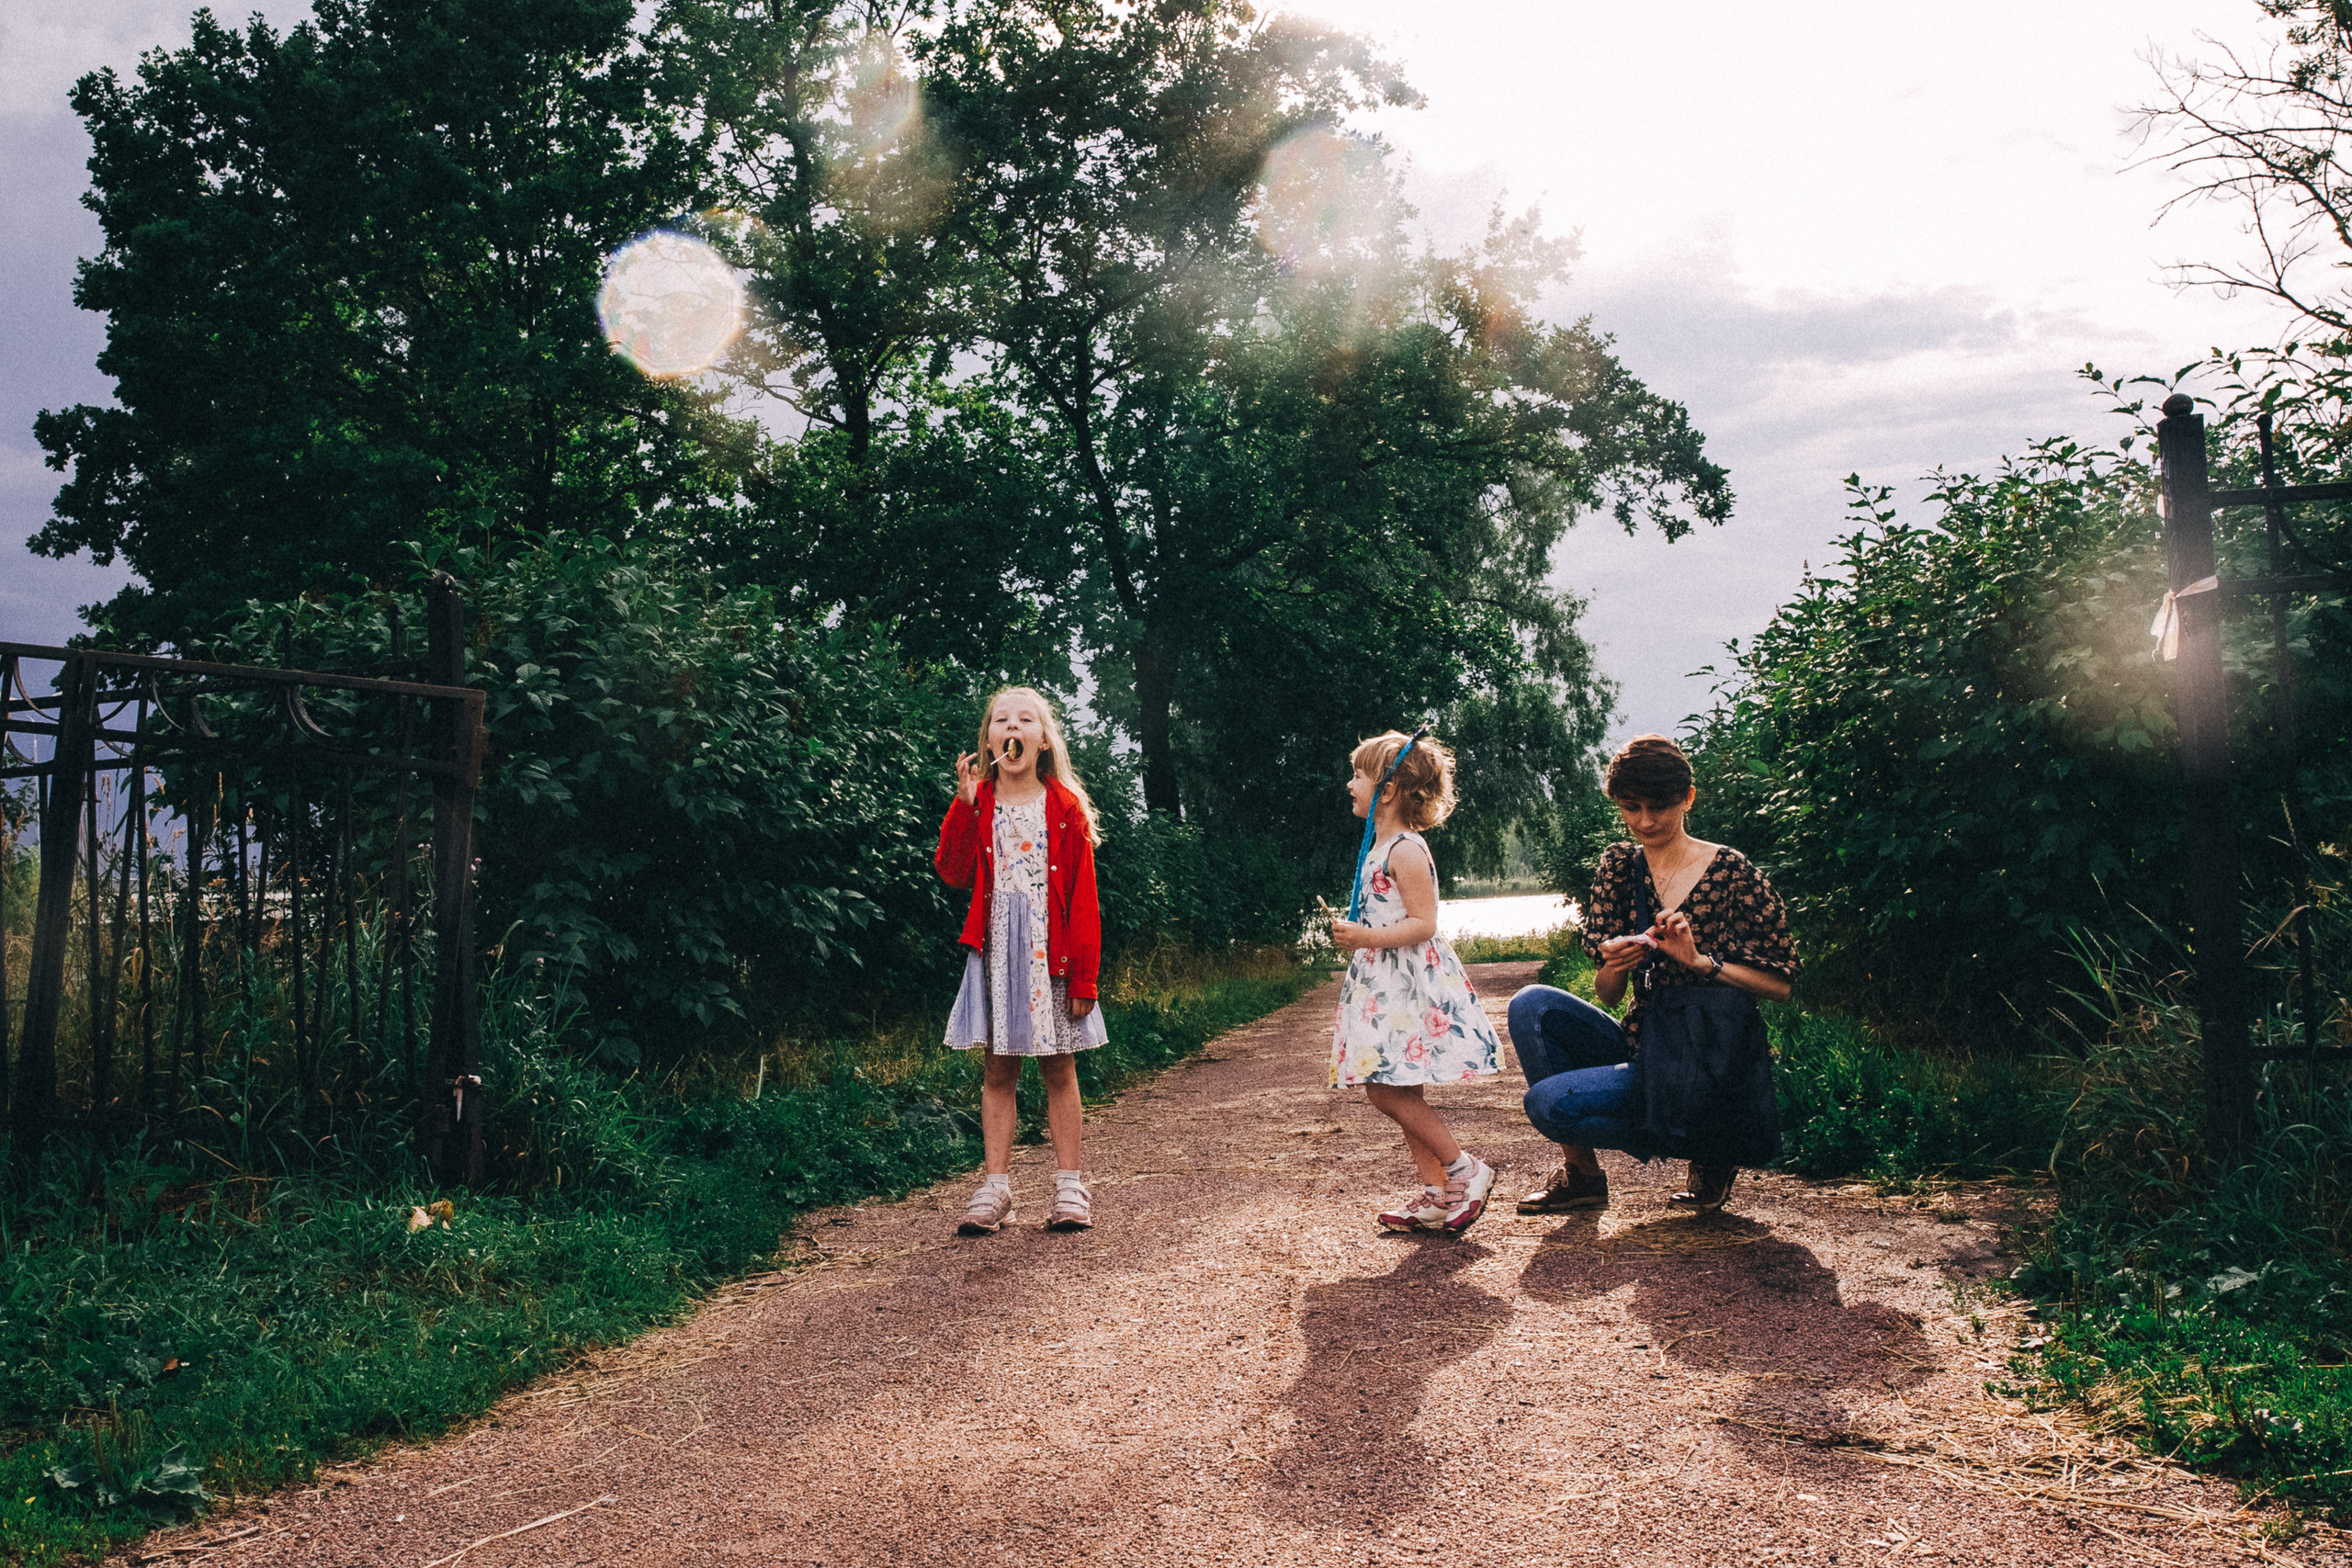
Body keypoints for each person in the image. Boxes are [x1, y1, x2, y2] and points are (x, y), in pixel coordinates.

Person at [1510, 734, 1799, 1214]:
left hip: (1704, 1058)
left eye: (1658, 807)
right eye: (1631, 807)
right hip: (1644, 1043)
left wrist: (1700, 962)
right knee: (1530, 1005)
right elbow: (1608, 995)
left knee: (1549, 1105)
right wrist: (1614, 965)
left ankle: (1712, 1141)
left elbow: (1781, 986)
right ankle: (1583, 1175)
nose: (1644, 821)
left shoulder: (1731, 871)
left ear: (1688, 798)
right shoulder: (1620, 866)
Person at [936, 686, 1107, 1235]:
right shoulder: (979, 802)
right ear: (989, 741)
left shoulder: (1066, 808)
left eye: (1026, 720)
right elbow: (953, 871)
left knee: (1059, 1067)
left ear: (1043, 741)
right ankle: (996, 1189)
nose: (1013, 728)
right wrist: (963, 806)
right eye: (1001, 720)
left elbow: (1083, 900)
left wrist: (1084, 978)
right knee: (998, 1070)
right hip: (996, 954)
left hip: (1051, 955)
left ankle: (1070, 1186)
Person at [1329, 729, 1504, 1235]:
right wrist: (1362, 935)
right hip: (1384, 985)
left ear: (1386, 790)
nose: (1349, 785)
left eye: (1358, 776)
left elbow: (1424, 923)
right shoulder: (1380, 847)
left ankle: (1463, 1169)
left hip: (1405, 987)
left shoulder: (1405, 849)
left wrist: (1365, 936)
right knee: (1402, 1091)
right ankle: (1438, 1192)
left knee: (1385, 1092)